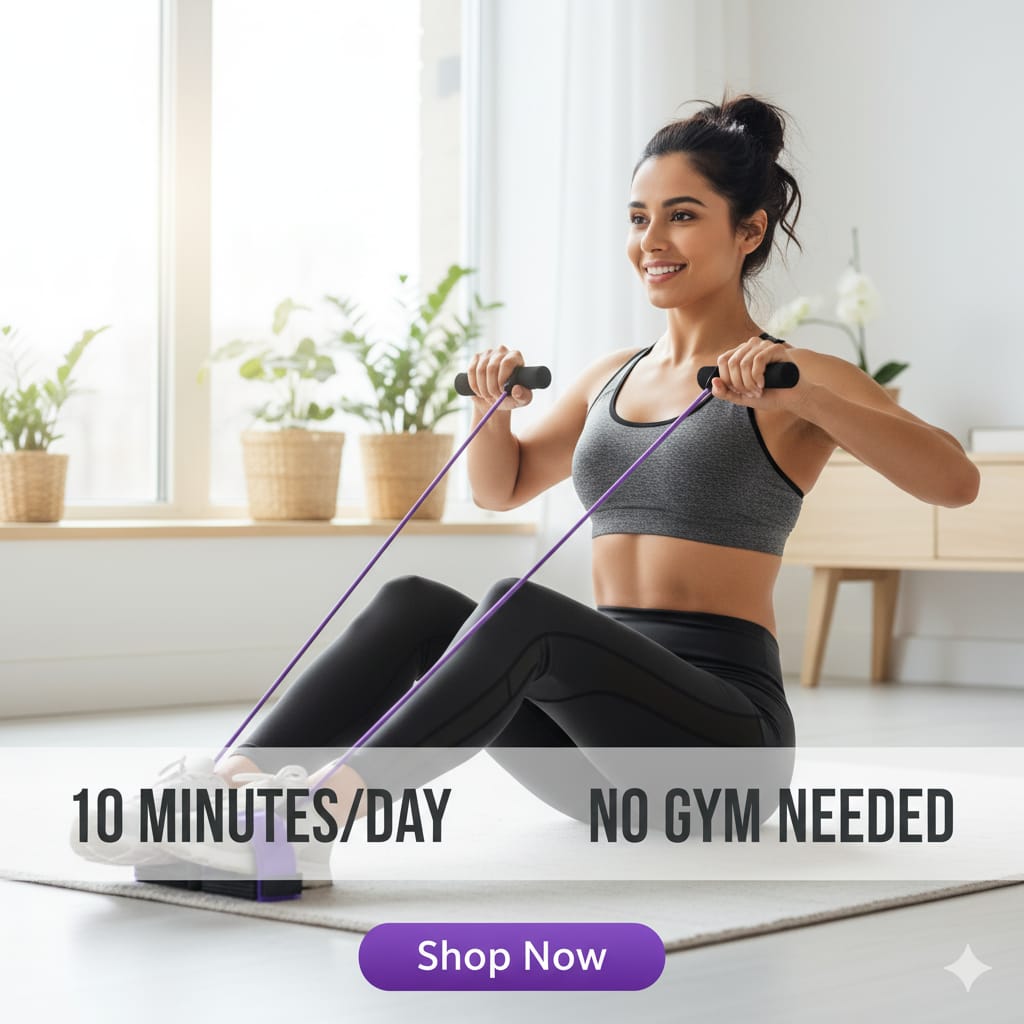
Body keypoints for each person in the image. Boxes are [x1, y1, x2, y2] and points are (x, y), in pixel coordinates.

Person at [73, 92, 980, 883]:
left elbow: (954, 482)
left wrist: (810, 389)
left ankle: (314, 821)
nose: (651, 241)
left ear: (747, 232)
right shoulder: (610, 376)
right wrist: (490, 411)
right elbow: (502, 487)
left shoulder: (790, 375)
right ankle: (222, 799)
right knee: (415, 603)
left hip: (721, 746)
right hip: (596, 749)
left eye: (682, 215)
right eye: (637, 217)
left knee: (519, 609)